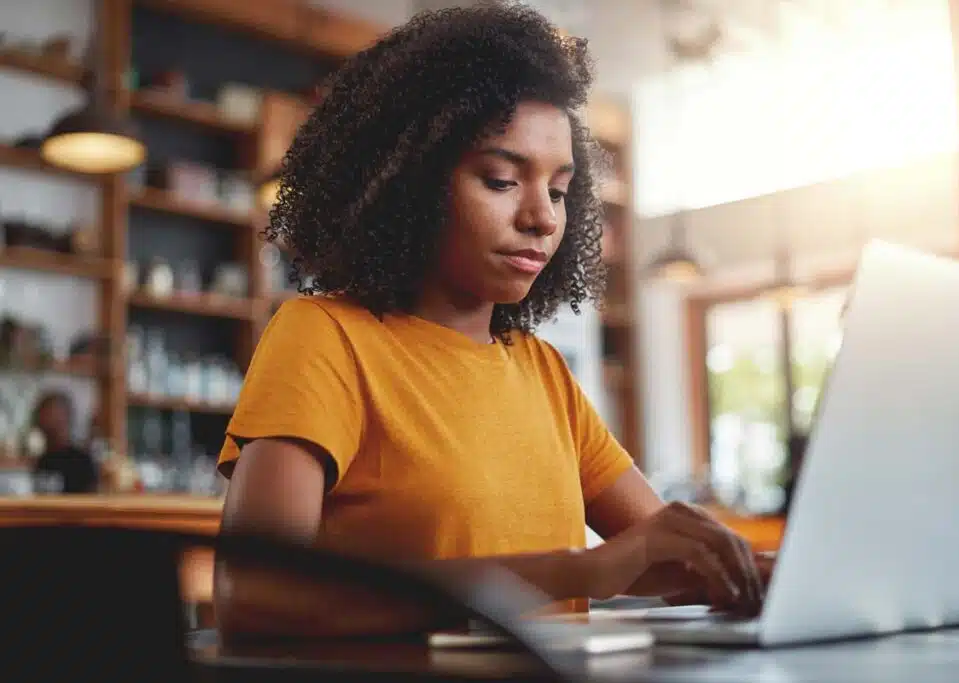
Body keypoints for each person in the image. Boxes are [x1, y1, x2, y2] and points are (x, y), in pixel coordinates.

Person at [214, 2, 773, 641]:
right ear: (407, 184)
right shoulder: (325, 337)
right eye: (503, 180)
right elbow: (252, 599)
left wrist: (751, 572)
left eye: (559, 192)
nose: (542, 218)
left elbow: (655, 555)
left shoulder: (541, 370)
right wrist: (580, 572)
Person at [31, 391, 99, 494]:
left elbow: (90, 504)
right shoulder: (43, 459)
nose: (42, 420)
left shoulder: (82, 461)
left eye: (49, 414)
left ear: (64, 417)